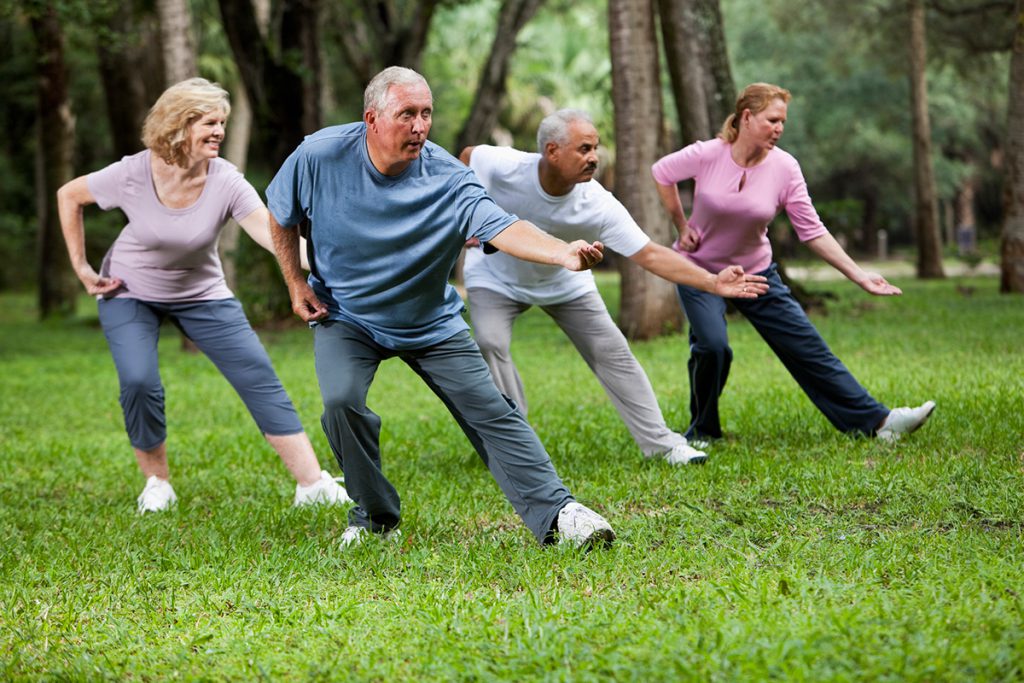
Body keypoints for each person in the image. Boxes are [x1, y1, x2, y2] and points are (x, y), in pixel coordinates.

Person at [266, 67, 615, 549]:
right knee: (340, 402)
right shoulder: (319, 155)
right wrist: (294, 281)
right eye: (407, 114)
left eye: (426, 113)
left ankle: (560, 514)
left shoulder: (449, 177)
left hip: (429, 321)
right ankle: (374, 517)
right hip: (345, 313)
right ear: (371, 118)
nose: (420, 126)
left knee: (493, 411)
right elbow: (280, 213)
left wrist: (562, 252)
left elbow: (502, 225)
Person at [56, 78, 351, 513]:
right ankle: (157, 483)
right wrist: (81, 267)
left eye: (222, 123)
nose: (219, 131)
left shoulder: (227, 181)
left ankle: (312, 483)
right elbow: (69, 195)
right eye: (209, 122)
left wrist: (341, 262)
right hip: (129, 289)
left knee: (258, 375)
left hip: (201, 292)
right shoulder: (133, 172)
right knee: (139, 381)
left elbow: (274, 237)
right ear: (178, 124)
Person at [458, 110, 770, 466]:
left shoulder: (597, 203)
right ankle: (516, 446)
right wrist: (467, 212)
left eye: (596, 148)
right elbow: (468, 156)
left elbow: (651, 254)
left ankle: (664, 444)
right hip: (495, 276)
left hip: (565, 281)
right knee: (490, 342)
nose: (594, 157)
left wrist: (713, 281)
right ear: (552, 151)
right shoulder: (506, 165)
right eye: (584, 148)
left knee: (614, 353)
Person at [651, 82, 935, 445]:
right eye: (773, 120)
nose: (779, 129)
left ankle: (880, 423)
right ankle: (703, 430)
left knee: (808, 348)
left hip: (756, 272)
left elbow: (812, 231)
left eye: (783, 121)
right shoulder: (708, 154)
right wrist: (681, 224)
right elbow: (661, 172)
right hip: (700, 271)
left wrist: (859, 276)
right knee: (712, 346)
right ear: (747, 117)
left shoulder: (785, 168)